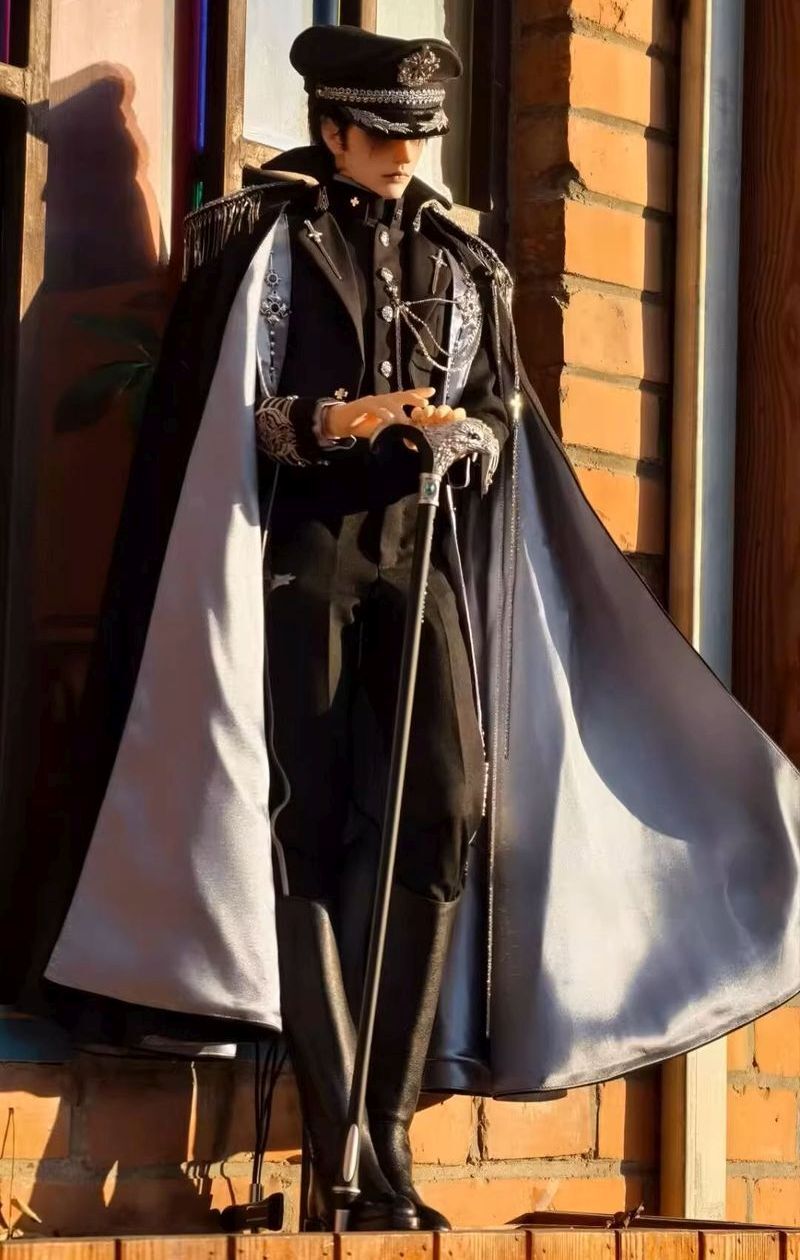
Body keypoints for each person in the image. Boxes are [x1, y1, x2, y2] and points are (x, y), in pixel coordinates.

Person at [18, 19, 800, 1239]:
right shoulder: (264, 241)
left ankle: (384, 1121)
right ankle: (345, 1139)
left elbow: (497, 412)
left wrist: (462, 435)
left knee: (439, 806)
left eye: (419, 136)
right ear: (332, 131)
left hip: (419, 555)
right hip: (300, 561)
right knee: (303, 820)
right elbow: (226, 418)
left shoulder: (459, 260)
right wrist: (334, 424)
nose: (405, 154)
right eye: (382, 135)